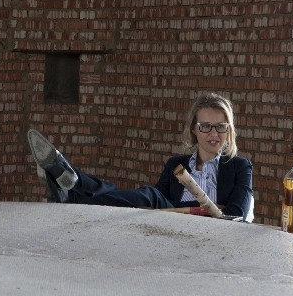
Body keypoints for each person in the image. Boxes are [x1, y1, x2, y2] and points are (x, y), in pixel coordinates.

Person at [28, 93, 253, 220]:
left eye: (220, 126)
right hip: (173, 227)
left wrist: (192, 209)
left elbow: (237, 214)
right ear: (194, 129)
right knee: (145, 195)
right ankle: (71, 179)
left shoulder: (240, 167)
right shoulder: (177, 164)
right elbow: (155, 204)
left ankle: (69, 190)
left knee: (150, 196)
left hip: (210, 234)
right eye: (205, 126)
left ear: (229, 130)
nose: (213, 133)